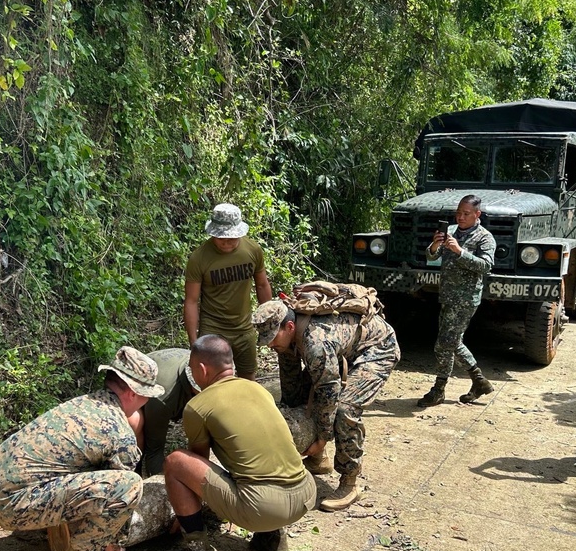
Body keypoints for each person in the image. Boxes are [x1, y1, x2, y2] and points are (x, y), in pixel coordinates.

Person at [0, 347, 164, 551]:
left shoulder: (83, 404)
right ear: (134, 393)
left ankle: (43, 526)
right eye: (146, 395)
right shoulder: (119, 432)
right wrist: (112, 545)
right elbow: (119, 499)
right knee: (130, 485)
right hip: (12, 504)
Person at [159, 335, 317, 551]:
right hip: (305, 495)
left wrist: (185, 516)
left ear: (202, 369)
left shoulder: (199, 406)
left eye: (192, 368)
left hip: (263, 507)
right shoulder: (257, 389)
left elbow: (196, 464)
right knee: (254, 455)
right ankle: (273, 538)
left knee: (176, 461)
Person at [252, 298, 400, 512]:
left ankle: (350, 483)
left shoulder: (316, 343)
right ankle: (319, 461)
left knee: (345, 409)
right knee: (299, 393)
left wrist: (322, 439)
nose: (270, 344)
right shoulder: (286, 340)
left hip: (377, 349)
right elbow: (291, 385)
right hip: (342, 349)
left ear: (290, 327)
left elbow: (328, 393)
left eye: (273, 338)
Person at [416, 194, 497, 407]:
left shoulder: (484, 237)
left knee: (446, 343)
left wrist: (460, 251)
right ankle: (477, 382)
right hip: (448, 295)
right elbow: (431, 257)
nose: (460, 217)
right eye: (458, 213)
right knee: (450, 343)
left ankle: (441, 388)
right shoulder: (450, 231)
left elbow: (486, 266)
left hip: (466, 298)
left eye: (466, 214)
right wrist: (435, 246)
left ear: (477, 214)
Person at [183, 203, 273, 381]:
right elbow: (192, 300)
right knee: (214, 380)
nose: (227, 242)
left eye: (232, 238)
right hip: (213, 327)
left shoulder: (252, 250)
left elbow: (262, 285)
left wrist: (268, 324)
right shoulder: (199, 258)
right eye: (221, 238)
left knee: (248, 376)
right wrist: (194, 342)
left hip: (244, 326)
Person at [137, 348, 197, 477]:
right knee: (137, 424)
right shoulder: (164, 396)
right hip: (133, 393)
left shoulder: (207, 364)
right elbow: (154, 449)